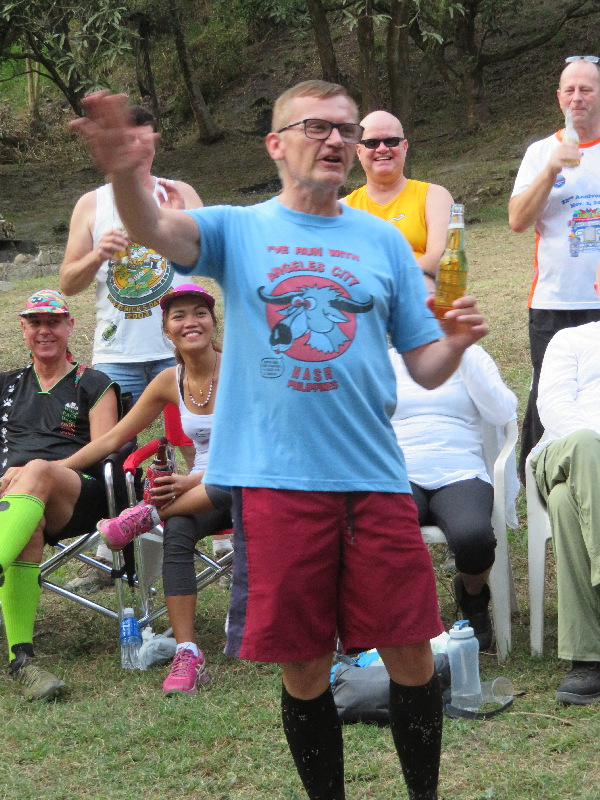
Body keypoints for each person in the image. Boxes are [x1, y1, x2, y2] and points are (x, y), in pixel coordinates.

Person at [73, 82, 488, 800]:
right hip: (277, 484)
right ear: (276, 144)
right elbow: (156, 228)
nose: (338, 141)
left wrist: (451, 344)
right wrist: (124, 173)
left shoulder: (383, 242)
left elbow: (423, 365)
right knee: (303, 664)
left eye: (347, 130)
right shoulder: (240, 230)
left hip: (375, 478)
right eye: (318, 127)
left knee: (411, 653)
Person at [60, 284, 232, 695]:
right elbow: (112, 438)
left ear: (213, 322)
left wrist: (189, 482)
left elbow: (253, 449)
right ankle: (188, 653)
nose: (190, 322)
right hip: (204, 493)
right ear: (166, 331)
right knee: (179, 531)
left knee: (237, 480)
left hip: (250, 483)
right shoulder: (169, 380)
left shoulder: (239, 372)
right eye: (178, 316)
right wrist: (54, 468)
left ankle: (149, 514)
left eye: (199, 313)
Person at [59, 105, 203, 592]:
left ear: (155, 140)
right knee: (113, 452)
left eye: (141, 135)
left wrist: (178, 219)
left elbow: (206, 254)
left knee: (197, 439)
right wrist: (97, 254)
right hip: (116, 353)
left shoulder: (180, 193)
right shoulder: (92, 204)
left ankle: (215, 530)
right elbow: (68, 282)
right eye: (124, 138)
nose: (134, 145)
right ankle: (110, 548)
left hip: (178, 347)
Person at [0, 289, 119, 700]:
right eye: (35, 322)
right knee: (26, 523)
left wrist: (48, 470)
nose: (44, 330)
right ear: (23, 328)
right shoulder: (7, 384)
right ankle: (22, 660)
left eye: (53, 321)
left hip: (77, 492)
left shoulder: (94, 383)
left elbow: (105, 447)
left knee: (36, 469)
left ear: (70, 326)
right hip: (15, 501)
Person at [390, 272, 518, 651]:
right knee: (383, 531)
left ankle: (473, 598)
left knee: (474, 536)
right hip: (399, 471)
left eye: (435, 300)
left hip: (459, 470)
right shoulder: (386, 359)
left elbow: (502, 412)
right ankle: (405, 615)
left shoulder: (472, 356)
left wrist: (461, 352)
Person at [509, 56, 600, 483]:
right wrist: (550, 170)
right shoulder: (540, 153)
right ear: (559, 97)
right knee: (550, 392)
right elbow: (517, 220)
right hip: (554, 300)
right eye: (570, 89)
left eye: (587, 89)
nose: (577, 97)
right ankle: (541, 479)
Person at [529, 260, 600, 705]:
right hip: (563, 451)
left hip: (575, 488)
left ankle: (587, 658)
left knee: (563, 504)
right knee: (588, 447)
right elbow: (553, 406)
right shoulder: (570, 339)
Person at [344, 110, 453, 275]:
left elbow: (441, 257)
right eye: (372, 143)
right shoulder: (343, 209)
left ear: (404, 147)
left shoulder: (434, 197)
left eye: (391, 141)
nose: (382, 149)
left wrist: (386, 281)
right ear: (359, 151)